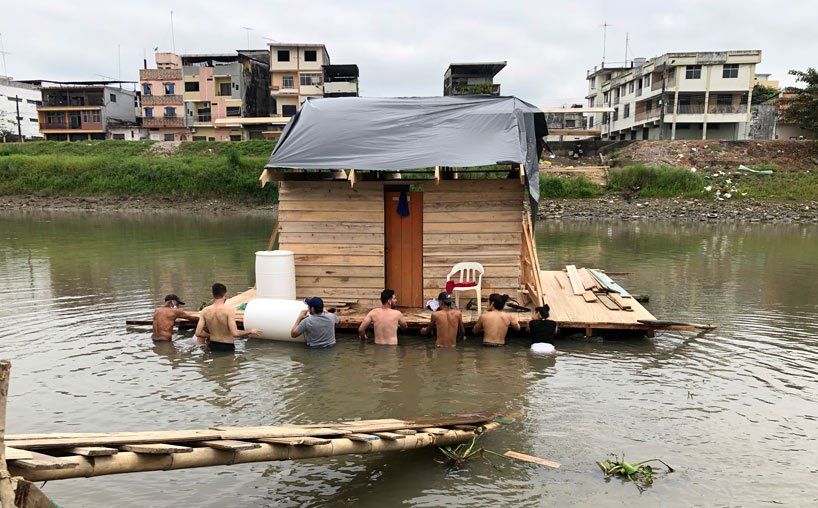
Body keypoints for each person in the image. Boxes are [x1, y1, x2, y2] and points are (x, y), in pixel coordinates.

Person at [195, 282, 262, 352]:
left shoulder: (205, 311)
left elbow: (198, 333)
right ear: (225, 294)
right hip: (227, 346)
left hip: (212, 345)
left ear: (212, 294)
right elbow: (235, 333)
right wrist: (250, 331)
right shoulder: (228, 311)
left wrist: (211, 336)